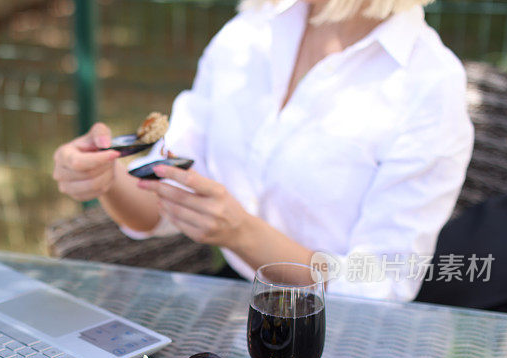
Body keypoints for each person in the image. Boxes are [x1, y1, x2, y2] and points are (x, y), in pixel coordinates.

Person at [52, 0, 474, 301]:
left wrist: (240, 233)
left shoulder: (429, 84)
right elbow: (157, 204)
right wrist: (107, 178)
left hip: (342, 340)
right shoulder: (246, 34)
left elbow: (382, 282)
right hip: (238, 309)